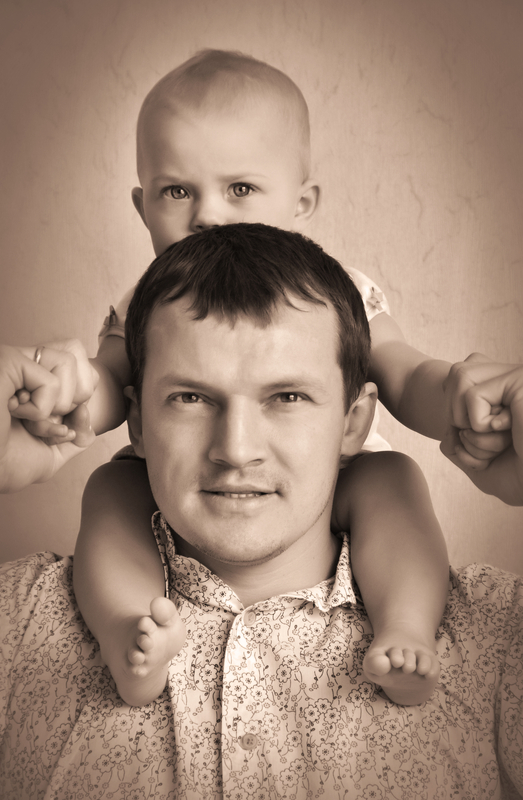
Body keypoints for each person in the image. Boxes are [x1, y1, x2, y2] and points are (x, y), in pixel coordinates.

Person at [7, 50, 511, 708]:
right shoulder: (143, 303)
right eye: (177, 191)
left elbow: (405, 375)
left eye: (239, 189)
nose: (208, 215)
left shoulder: (341, 293)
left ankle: (407, 629)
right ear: (141, 204)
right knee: (110, 486)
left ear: (301, 201)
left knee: (393, 477)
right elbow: (109, 386)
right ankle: (128, 632)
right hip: (167, 486)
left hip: (337, 474)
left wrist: (465, 405)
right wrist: (62, 396)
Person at [1, 223, 522, 800]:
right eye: (191, 397)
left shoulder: (496, 636)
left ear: (354, 423)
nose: (237, 449)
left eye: (287, 397)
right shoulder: (19, 620)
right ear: (139, 423)